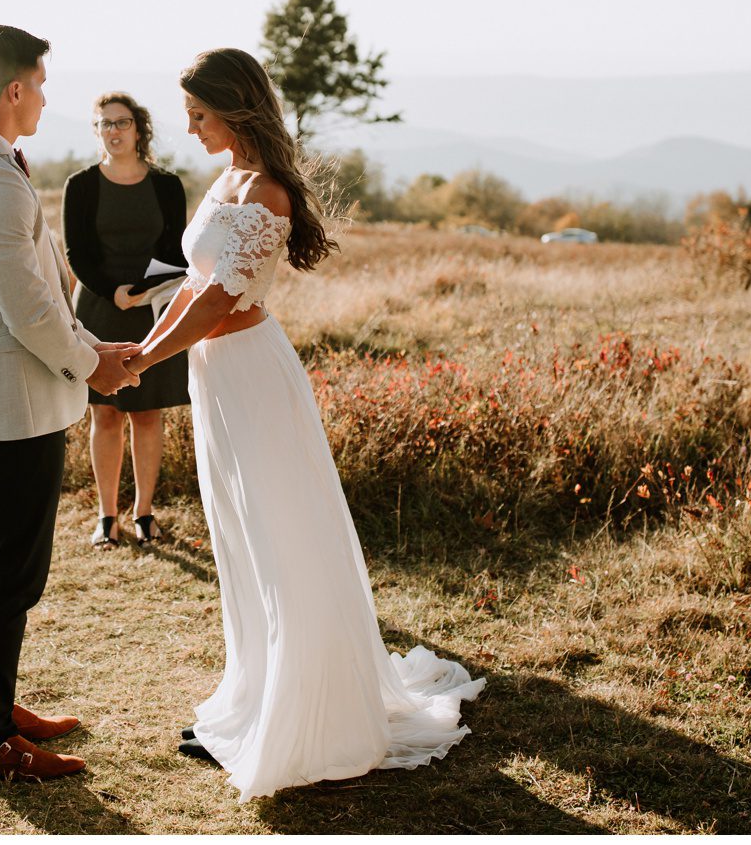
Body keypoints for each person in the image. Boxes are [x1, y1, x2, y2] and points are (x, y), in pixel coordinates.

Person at [121, 47, 486, 803]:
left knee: (282, 534)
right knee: (242, 540)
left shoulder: (269, 194)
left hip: (251, 376)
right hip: (215, 377)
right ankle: (253, 699)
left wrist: (139, 359)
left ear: (236, 108)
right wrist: (146, 350)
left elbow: (221, 303)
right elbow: (195, 285)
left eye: (199, 114)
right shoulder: (228, 179)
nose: (188, 127)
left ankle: (308, 714)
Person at [0, 25, 142, 782]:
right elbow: (29, 311)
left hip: (4, 399)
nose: (48, 98)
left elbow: (40, 297)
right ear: (15, 88)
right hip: (13, 407)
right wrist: (95, 365)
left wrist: (88, 345)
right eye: (42, 84)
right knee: (10, 575)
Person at [62, 92, 192, 549]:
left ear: (139, 129)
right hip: (99, 308)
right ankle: (106, 517)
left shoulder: (167, 185)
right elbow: (76, 252)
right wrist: (111, 291)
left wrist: (145, 292)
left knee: (150, 415)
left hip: (152, 310)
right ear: (97, 132)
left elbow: (177, 252)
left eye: (121, 123)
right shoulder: (80, 185)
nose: (113, 131)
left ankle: (145, 514)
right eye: (104, 124)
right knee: (107, 415)